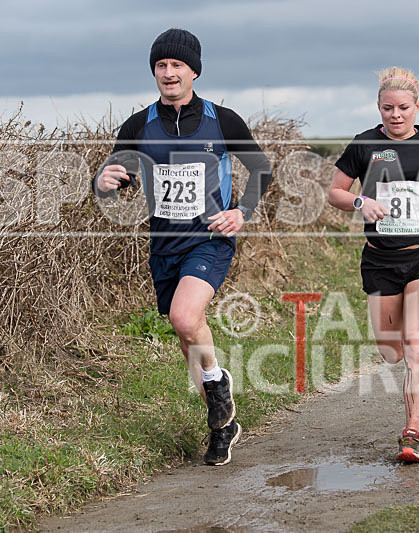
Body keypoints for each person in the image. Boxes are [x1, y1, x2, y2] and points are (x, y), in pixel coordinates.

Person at [94, 28, 272, 465]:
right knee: (188, 335)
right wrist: (103, 182)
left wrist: (241, 212)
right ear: (154, 72)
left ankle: (219, 386)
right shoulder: (139, 125)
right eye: (161, 65)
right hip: (164, 244)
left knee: (184, 316)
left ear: (194, 70)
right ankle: (222, 425)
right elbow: (120, 177)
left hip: (210, 238)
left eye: (177, 65)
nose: (168, 73)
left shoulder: (222, 119)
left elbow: (262, 170)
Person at [327, 67, 419, 464]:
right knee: (391, 352)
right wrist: (360, 202)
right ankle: (403, 346)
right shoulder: (363, 145)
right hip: (380, 260)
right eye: (388, 108)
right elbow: (335, 192)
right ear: (378, 107)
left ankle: (412, 435)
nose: (395, 115)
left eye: (403, 108)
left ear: (417, 107)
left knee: (417, 348)